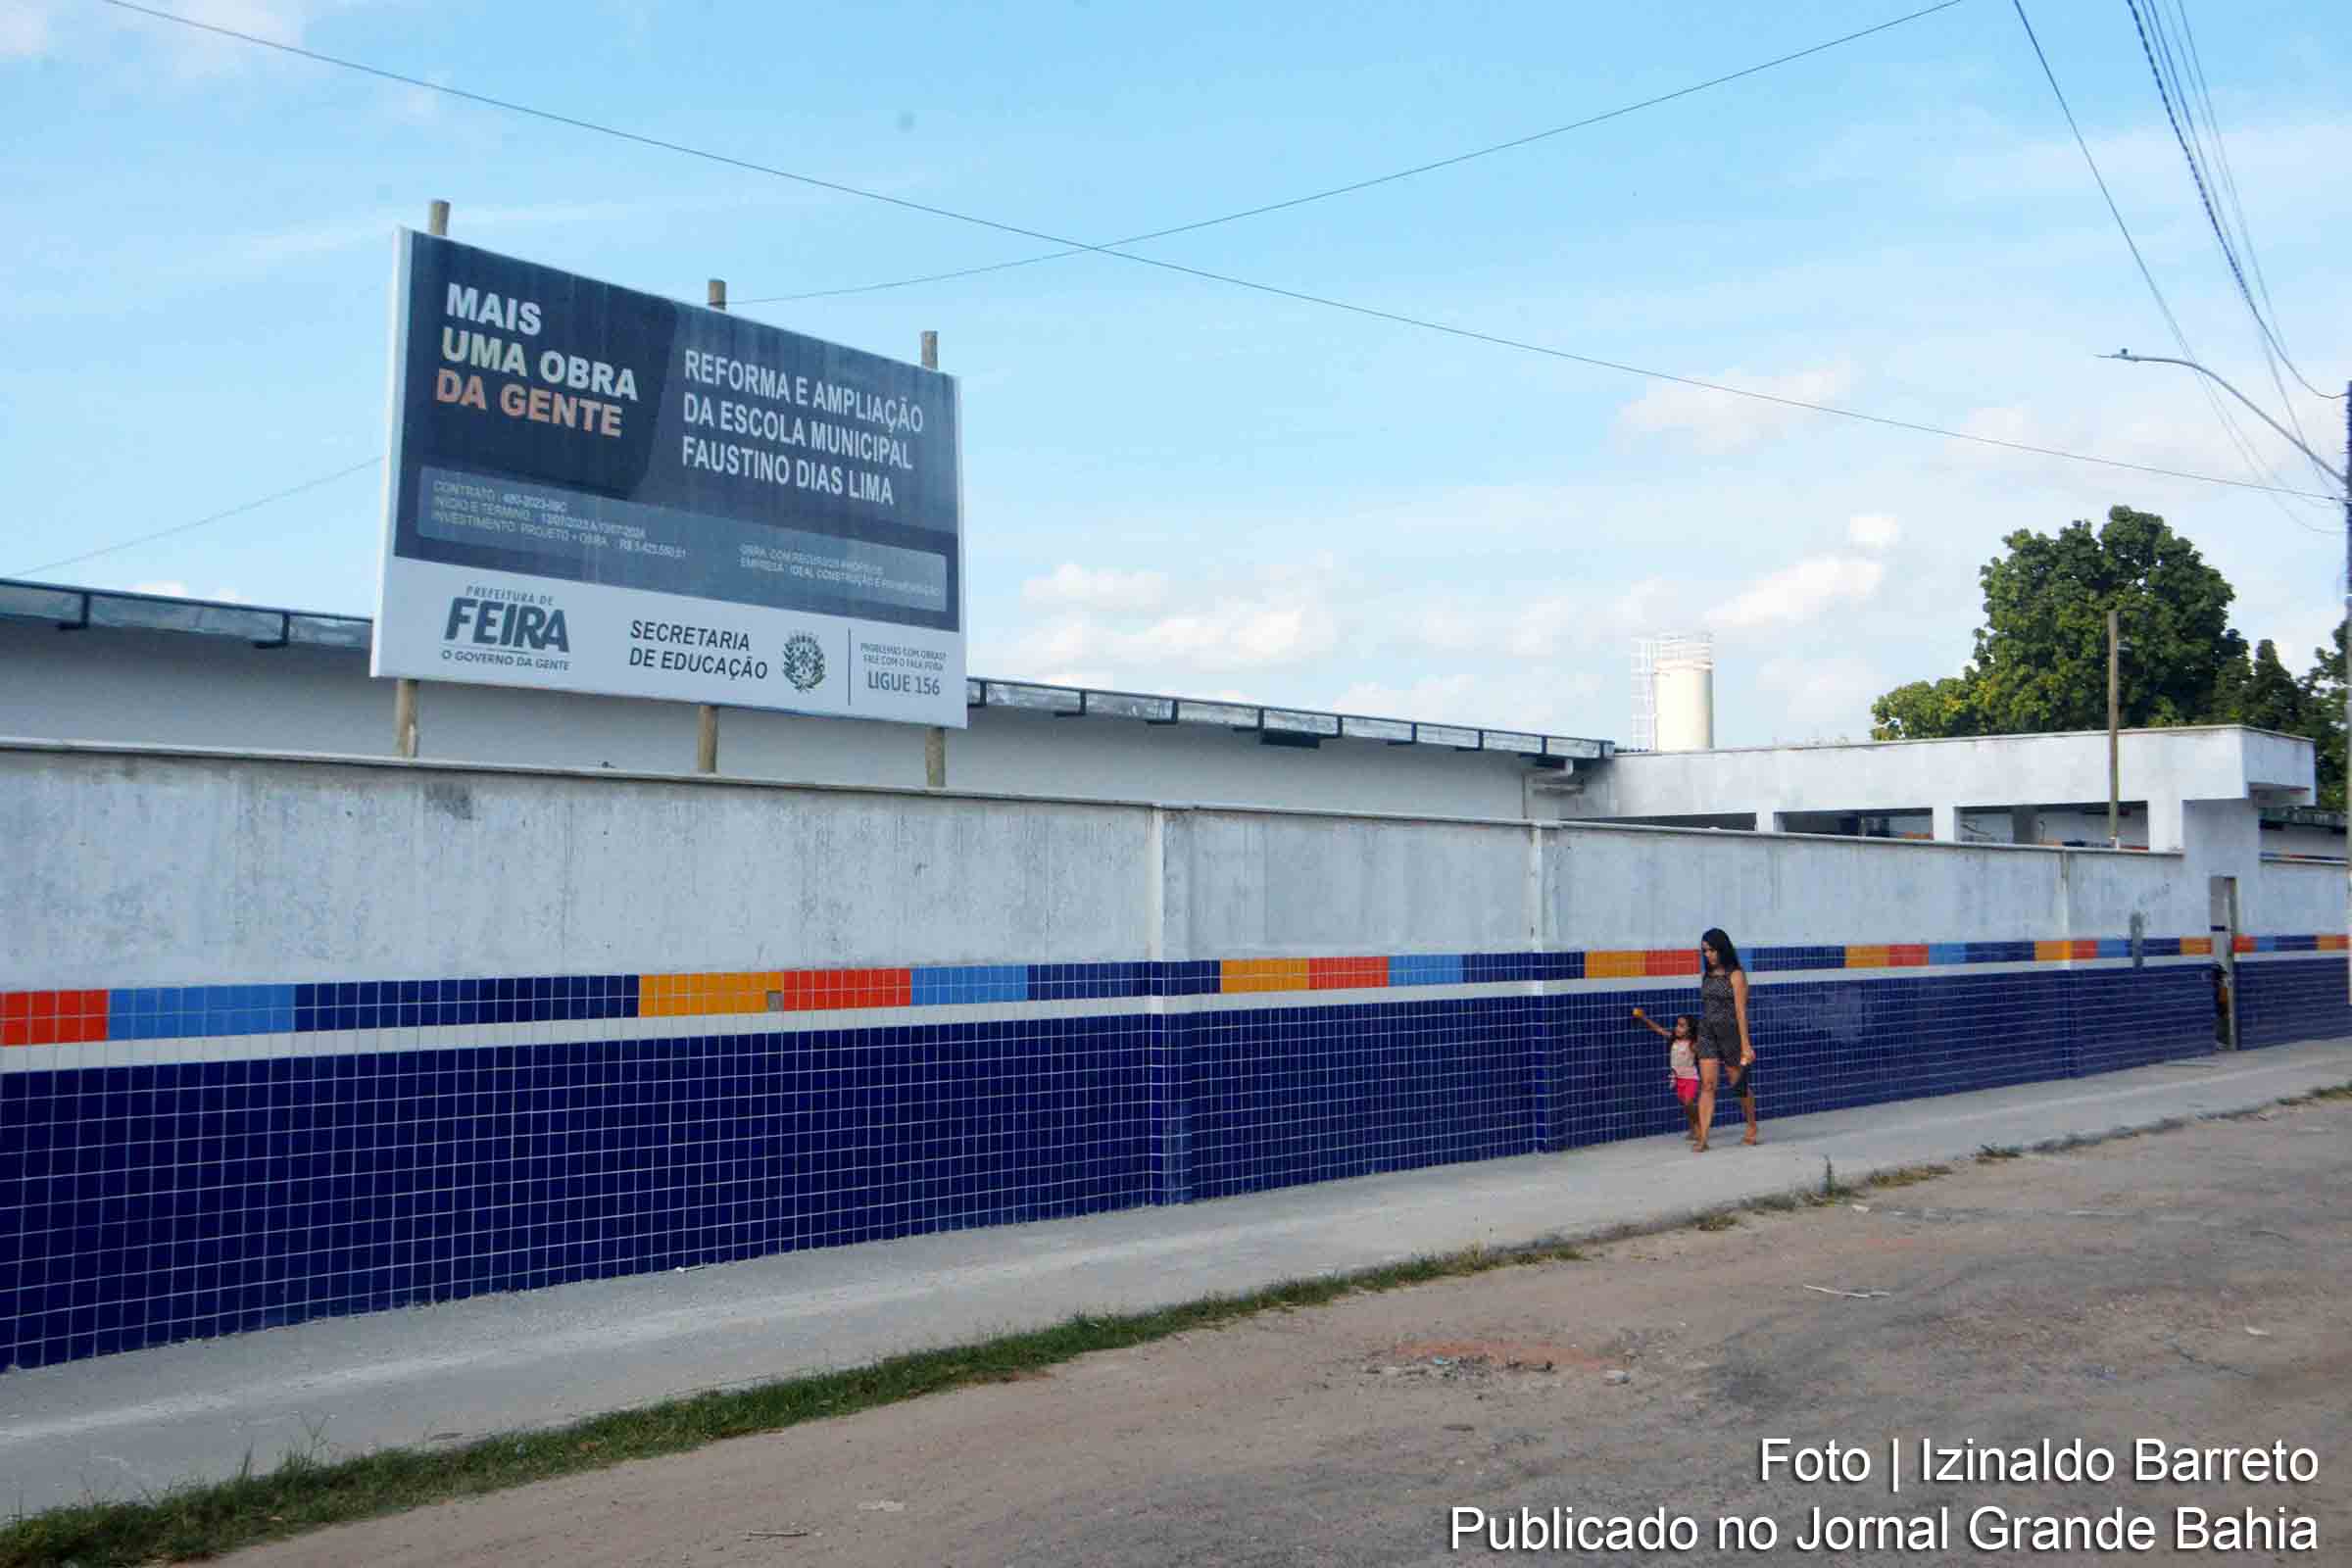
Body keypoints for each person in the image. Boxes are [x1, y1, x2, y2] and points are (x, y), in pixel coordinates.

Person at [1692, 927, 1758, 1153]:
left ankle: (1751, 1125)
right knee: (1707, 1084)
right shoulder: (1707, 975)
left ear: (1722, 949)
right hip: (1707, 1033)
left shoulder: (1736, 975)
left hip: (1731, 1034)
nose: (1708, 955)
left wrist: (1745, 1045)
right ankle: (1703, 1137)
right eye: (1705, 951)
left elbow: (1741, 1011)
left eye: (1712, 950)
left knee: (1738, 1085)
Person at [1632, 1007, 1702, 1141]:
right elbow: (1658, 1029)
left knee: (1688, 1103)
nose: (1677, 1028)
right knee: (1686, 1106)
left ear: (1690, 1030)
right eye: (1677, 1025)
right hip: (1678, 1079)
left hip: (1690, 1079)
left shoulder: (1692, 1044)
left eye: (1682, 1026)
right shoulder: (1673, 1040)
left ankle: (1700, 1125)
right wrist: (1644, 1018)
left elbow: (1704, 1050)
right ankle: (1693, 1129)